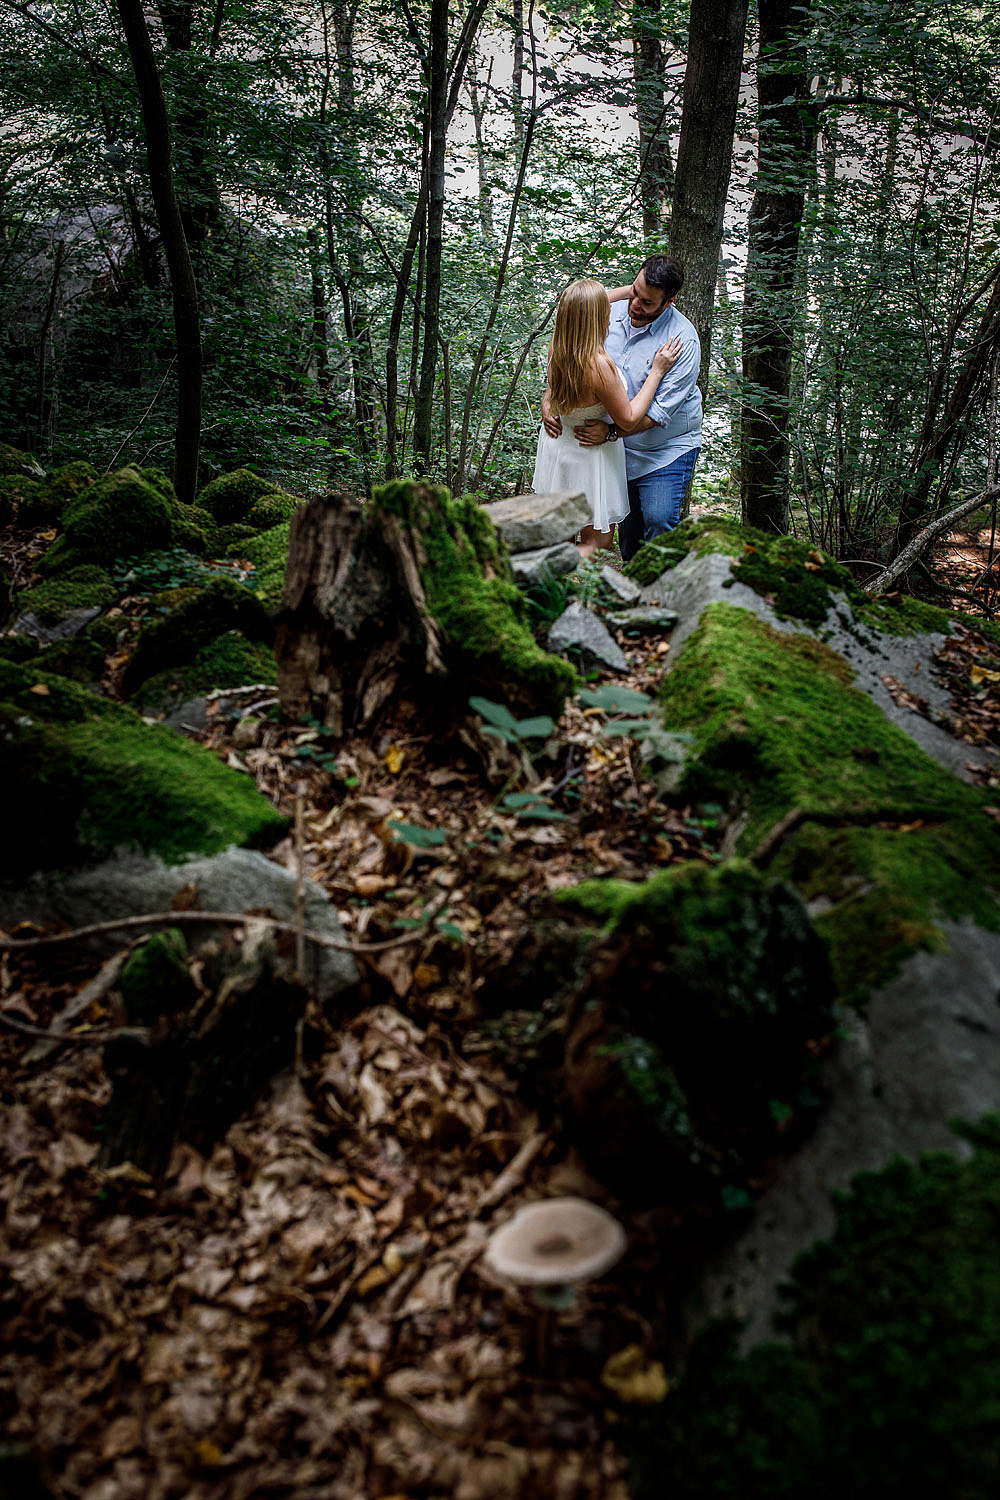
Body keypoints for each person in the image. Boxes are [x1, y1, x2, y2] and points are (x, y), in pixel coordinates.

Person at [543, 256, 702, 562]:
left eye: (646, 302)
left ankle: (658, 597)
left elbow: (656, 413)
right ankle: (621, 589)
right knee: (625, 535)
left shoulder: (682, 342)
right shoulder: (605, 315)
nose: (634, 305)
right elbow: (583, 305)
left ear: (669, 302)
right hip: (600, 447)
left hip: (660, 448)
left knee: (657, 520)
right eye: (634, 292)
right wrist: (548, 397)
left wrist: (613, 431)